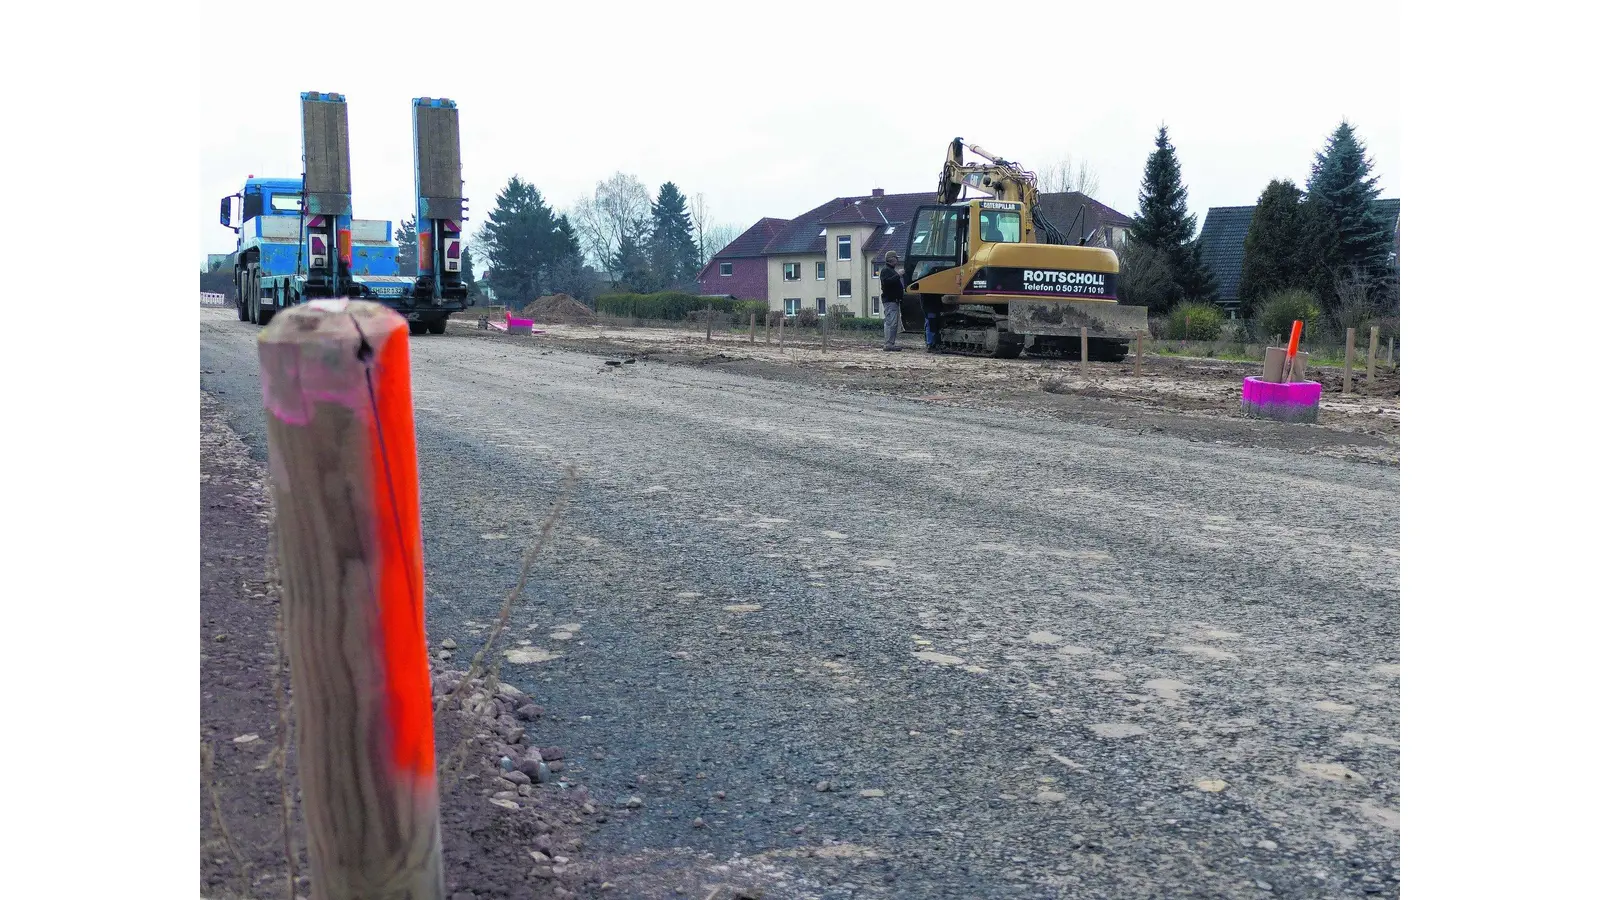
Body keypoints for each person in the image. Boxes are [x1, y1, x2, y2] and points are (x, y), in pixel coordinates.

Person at [879, 251, 905, 351]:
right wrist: (898, 275)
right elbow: (886, 283)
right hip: (890, 301)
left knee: (892, 322)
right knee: (891, 322)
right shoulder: (886, 270)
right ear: (892, 259)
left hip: (893, 300)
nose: (897, 260)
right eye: (896, 258)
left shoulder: (889, 270)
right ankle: (889, 344)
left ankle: (890, 343)